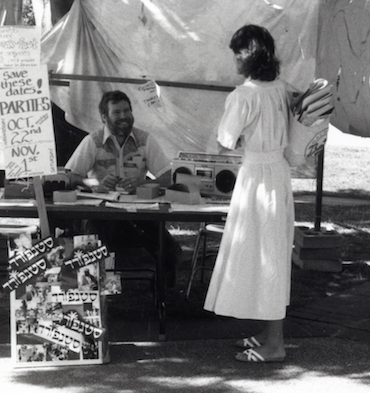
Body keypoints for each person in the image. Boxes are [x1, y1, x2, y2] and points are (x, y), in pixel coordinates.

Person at [203, 24, 331, 363]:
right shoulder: (279, 87)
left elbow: (225, 139)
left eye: (237, 53)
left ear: (247, 55)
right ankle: (267, 331)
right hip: (275, 175)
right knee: (267, 254)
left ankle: (276, 344)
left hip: (257, 176)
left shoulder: (244, 95)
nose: (235, 59)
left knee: (267, 257)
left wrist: (244, 135)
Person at [64, 90, 182, 286]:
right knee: (93, 243)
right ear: (104, 117)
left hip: (140, 214)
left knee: (169, 250)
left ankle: (162, 297)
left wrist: (141, 184)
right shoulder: (93, 141)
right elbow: (70, 176)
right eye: (117, 112)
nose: (124, 117)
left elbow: (167, 177)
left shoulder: (145, 140)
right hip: (103, 213)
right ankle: (96, 295)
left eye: (127, 111)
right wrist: (95, 184)